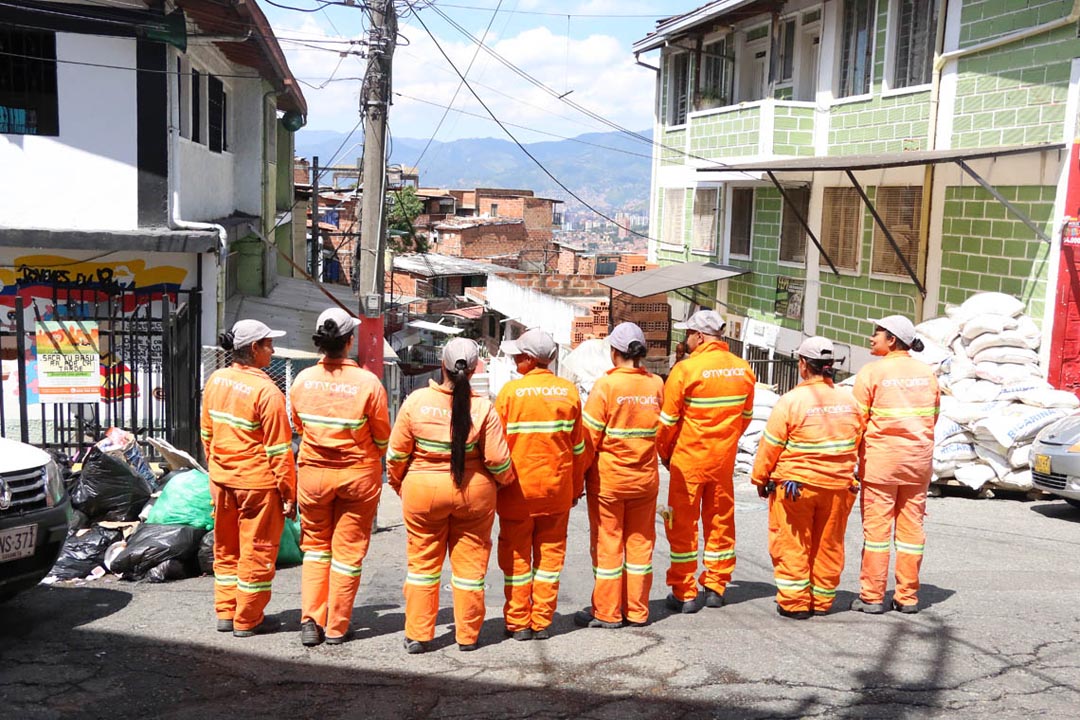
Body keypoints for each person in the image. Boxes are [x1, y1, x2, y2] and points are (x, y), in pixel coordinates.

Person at [387, 337, 514, 653]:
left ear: (441, 365)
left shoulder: (416, 402)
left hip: (422, 492)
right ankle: (468, 636)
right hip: (474, 493)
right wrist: (502, 483)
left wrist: (399, 485)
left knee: (422, 565)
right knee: (471, 568)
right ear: (473, 371)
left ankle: (418, 634)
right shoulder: (483, 407)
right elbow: (498, 461)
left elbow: (396, 456)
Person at [289, 308, 391, 647]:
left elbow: (299, 426)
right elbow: (381, 435)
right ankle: (335, 626)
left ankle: (310, 619)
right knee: (347, 553)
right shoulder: (367, 383)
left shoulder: (302, 381)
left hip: (313, 476)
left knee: (316, 549)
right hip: (357, 477)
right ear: (349, 342)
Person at [750, 337, 863, 619]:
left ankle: (795, 603)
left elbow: (771, 445)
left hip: (795, 488)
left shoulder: (791, 401)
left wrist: (760, 478)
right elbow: (860, 443)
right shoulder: (850, 401)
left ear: (802, 365)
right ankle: (823, 601)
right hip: (838, 487)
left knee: (792, 543)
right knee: (828, 544)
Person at [201, 319, 296, 637]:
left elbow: (207, 433)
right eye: (269, 344)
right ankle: (248, 618)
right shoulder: (267, 392)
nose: (273, 350)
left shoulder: (216, 380)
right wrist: (288, 493)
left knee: (226, 549)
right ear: (254, 349)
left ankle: (226, 612)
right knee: (257, 550)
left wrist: (218, 467)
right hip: (256, 484)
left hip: (222, 480)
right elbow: (280, 450)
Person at [658, 310, 756, 613]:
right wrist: (724, 444)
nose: (685, 339)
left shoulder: (686, 370)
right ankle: (715, 586)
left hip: (688, 462)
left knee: (681, 525)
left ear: (699, 336)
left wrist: (665, 453)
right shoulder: (743, 369)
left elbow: (667, 423)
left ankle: (685, 592)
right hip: (722, 462)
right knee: (720, 522)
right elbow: (745, 418)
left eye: (688, 334)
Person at [494, 328, 585, 641]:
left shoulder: (509, 394)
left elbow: (497, 449)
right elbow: (578, 450)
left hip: (517, 492)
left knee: (517, 556)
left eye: (519, 355)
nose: (516, 359)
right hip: (556, 492)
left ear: (530, 360)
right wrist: (574, 490)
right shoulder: (568, 393)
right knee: (549, 557)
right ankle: (542, 621)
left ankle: (518, 622)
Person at [576, 322, 664, 628]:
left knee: (608, 545)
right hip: (645, 480)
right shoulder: (655, 385)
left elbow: (589, 440)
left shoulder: (607, 386)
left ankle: (608, 611)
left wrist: (578, 480)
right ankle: (637, 611)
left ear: (614, 352)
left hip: (610, 482)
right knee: (640, 545)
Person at [851, 315, 940, 615]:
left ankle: (872, 596)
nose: (871, 337)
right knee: (911, 531)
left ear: (892, 339)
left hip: (881, 464)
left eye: (876, 333)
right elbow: (933, 416)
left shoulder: (872, 373)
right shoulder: (926, 374)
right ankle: (907, 597)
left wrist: (851, 460)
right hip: (917, 464)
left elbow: (857, 423)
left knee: (876, 533)